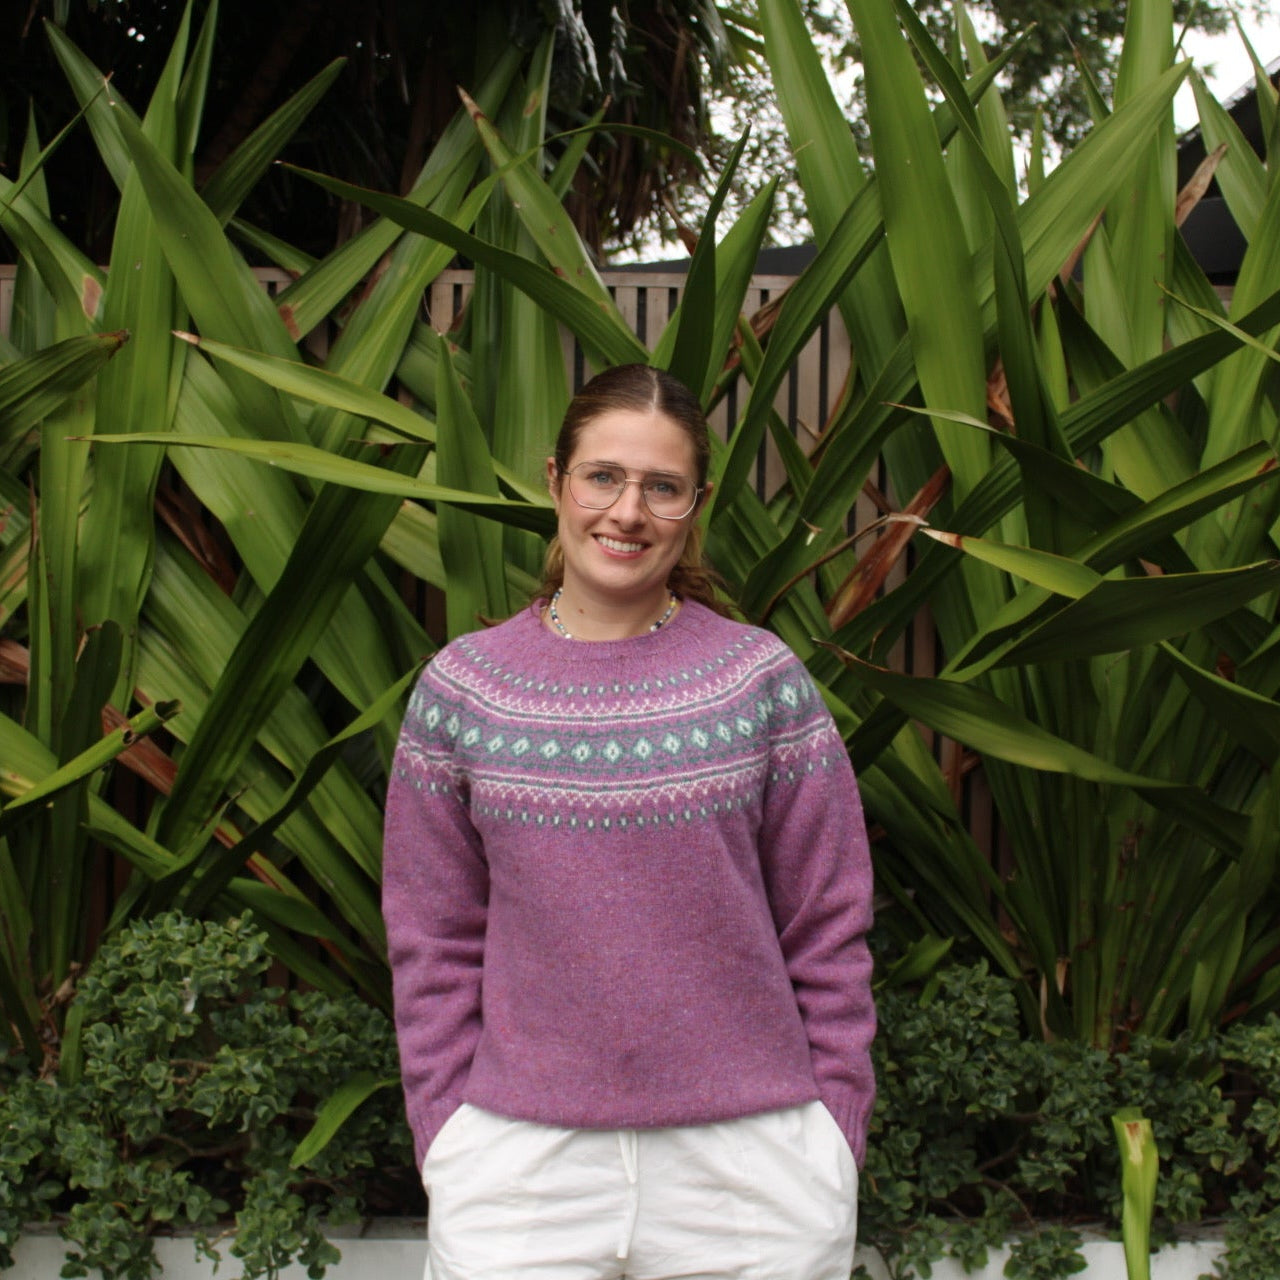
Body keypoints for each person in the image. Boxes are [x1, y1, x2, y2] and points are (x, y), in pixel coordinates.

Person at [383, 363, 876, 1280]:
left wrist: (832, 1127)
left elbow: (828, 919)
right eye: (603, 476)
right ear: (556, 481)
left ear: (697, 503)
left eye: (662, 486)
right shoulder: (464, 691)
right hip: (519, 1165)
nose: (628, 512)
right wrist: (448, 1132)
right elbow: (432, 934)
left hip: (753, 1164)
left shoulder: (757, 681)